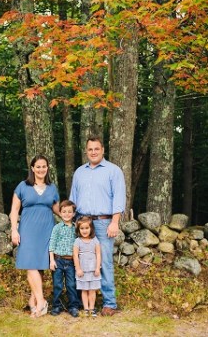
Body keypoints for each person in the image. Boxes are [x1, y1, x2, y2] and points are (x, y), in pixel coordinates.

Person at [69, 135, 125, 316]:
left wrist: (115, 222)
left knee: (105, 262)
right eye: (90, 149)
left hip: (104, 222)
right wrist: (73, 223)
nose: (93, 152)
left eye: (96, 149)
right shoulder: (79, 172)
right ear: (86, 151)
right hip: (82, 222)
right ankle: (81, 301)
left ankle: (109, 303)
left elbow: (118, 198)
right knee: (82, 261)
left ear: (103, 150)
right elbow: (73, 199)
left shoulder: (113, 171)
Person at [10, 154, 60, 318]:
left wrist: (72, 218)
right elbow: (14, 211)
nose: (41, 169)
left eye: (44, 166)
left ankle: (33, 301)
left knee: (40, 266)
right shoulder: (22, 186)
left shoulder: (52, 188)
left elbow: (58, 210)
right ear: (32, 168)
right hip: (28, 230)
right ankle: (42, 302)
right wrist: (14, 230)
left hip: (47, 229)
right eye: (38, 166)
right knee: (30, 264)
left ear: (47, 168)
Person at [48, 200, 81, 317]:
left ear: (73, 214)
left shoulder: (76, 228)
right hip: (58, 260)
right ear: (60, 213)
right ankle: (57, 306)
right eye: (64, 212)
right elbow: (52, 244)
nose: (67, 214)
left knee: (71, 284)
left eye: (69, 212)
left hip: (71, 261)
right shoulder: (57, 228)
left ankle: (73, 306)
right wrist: (51, 260)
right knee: (57, 284)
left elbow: (79, 244)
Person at [73, 216, 101, 317]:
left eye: (87, 228)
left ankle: (92, 308)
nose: (84, 231)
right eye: (82, 228)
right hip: (82, 271)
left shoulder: (95, 240)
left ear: (91, 228)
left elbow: (98, 254)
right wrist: (78, 269)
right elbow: (75, 256)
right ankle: (85, 308)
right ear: (78, 229)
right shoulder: (78, 241)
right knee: (84, 290)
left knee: (92, 290)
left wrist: (97, 268)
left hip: (93, 270)